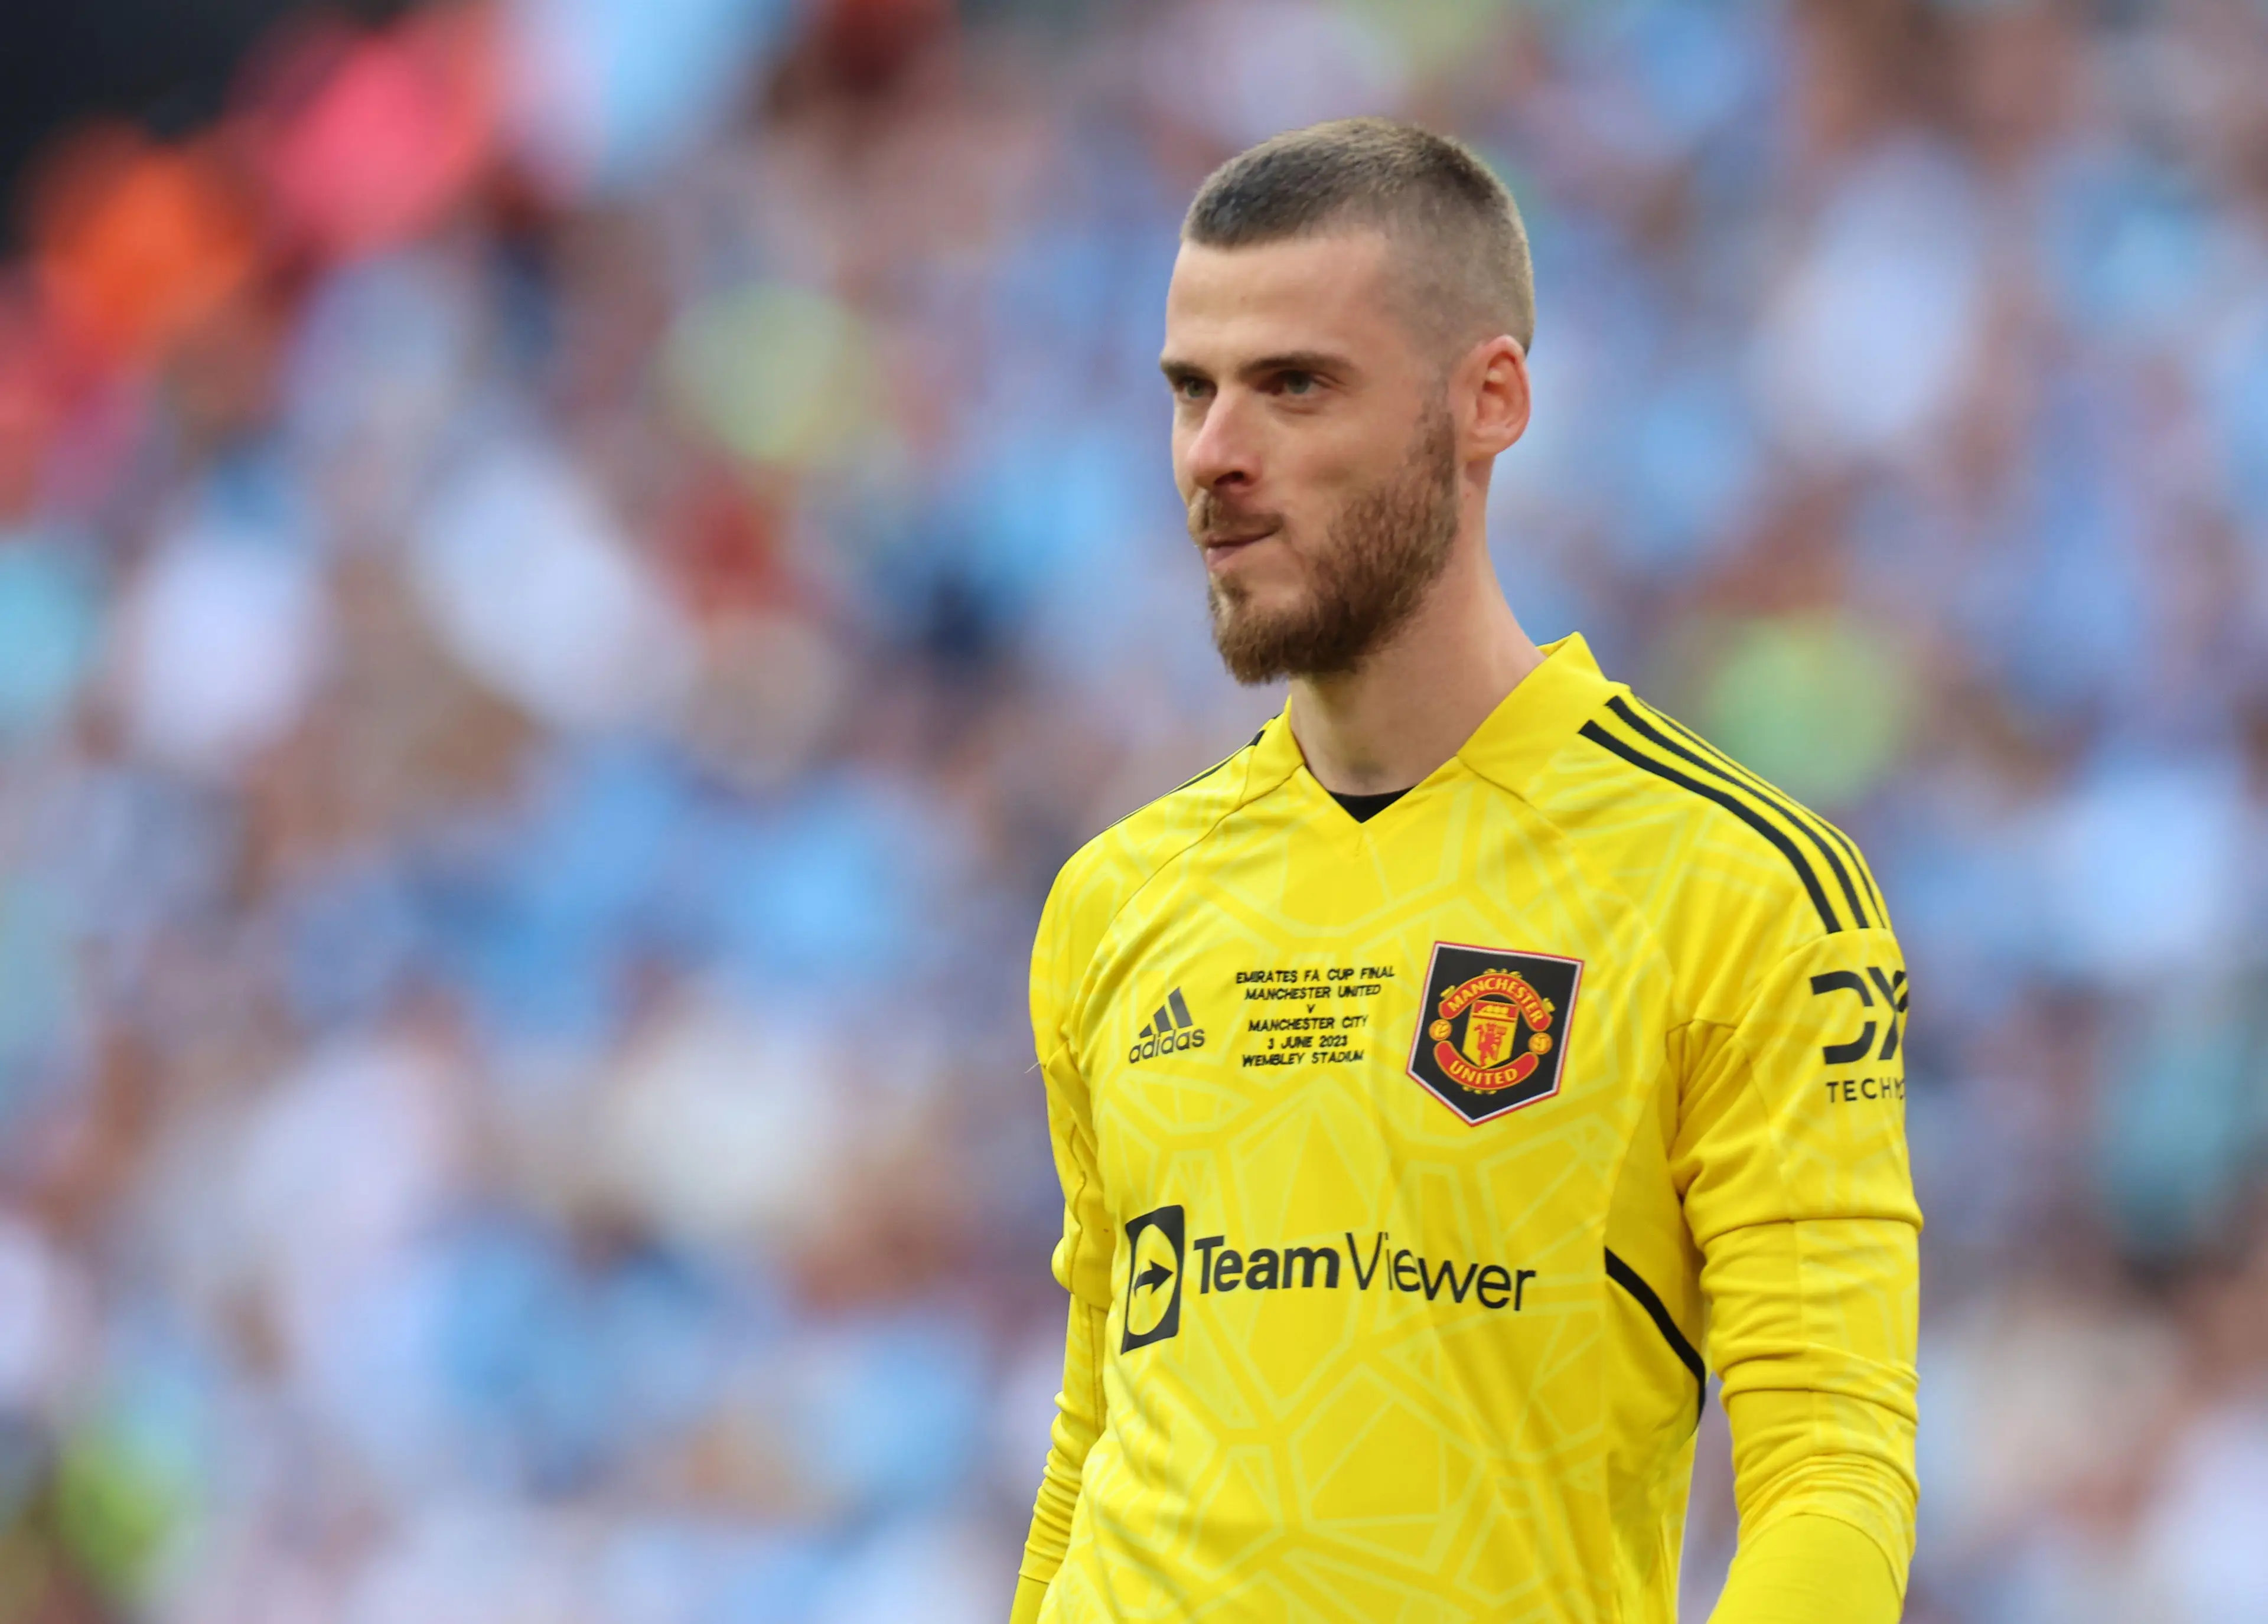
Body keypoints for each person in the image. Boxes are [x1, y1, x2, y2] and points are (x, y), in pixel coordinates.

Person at [1011, 118, 1920, 1624]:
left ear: (1488, 400)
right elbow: (1094, 1432)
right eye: (1192, 389)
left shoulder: (1737, 885)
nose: (1216, 454)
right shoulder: (1120, 894)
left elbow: (1834, 1465)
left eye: (1295, 384)